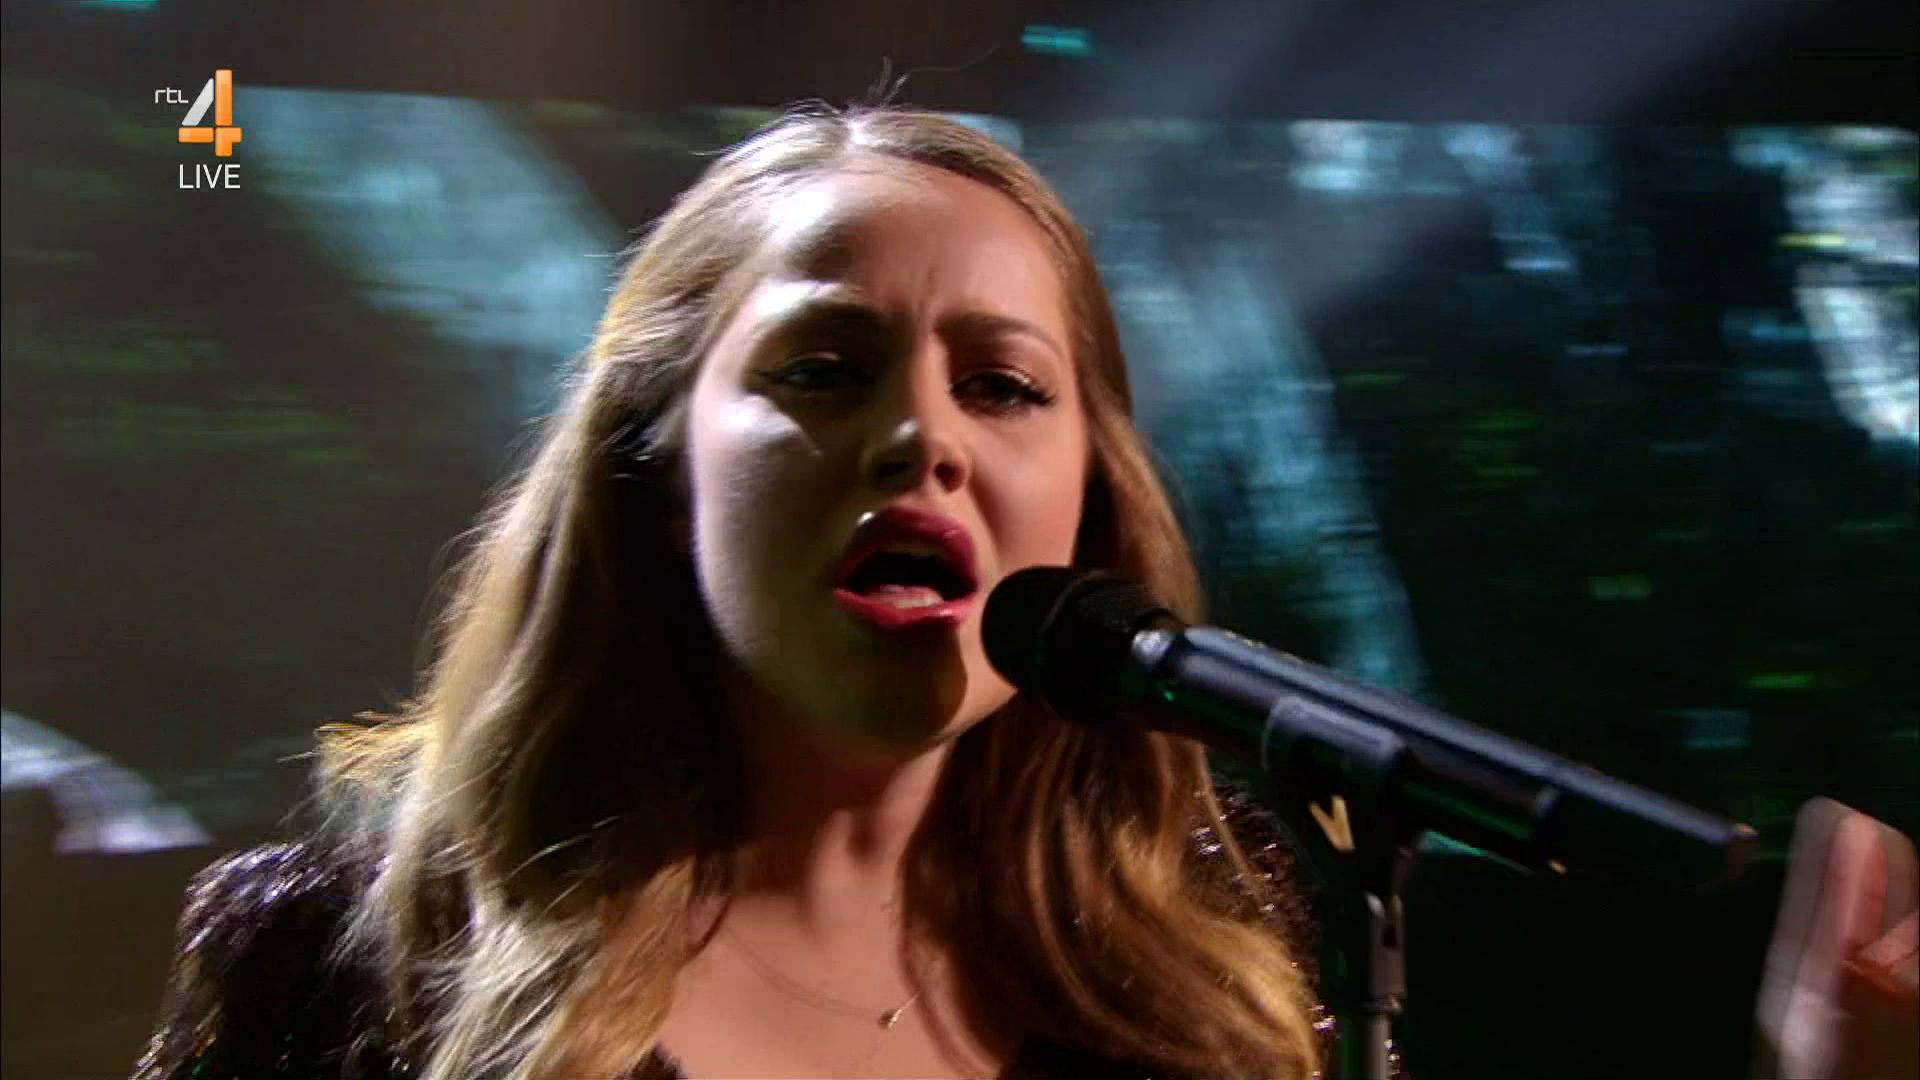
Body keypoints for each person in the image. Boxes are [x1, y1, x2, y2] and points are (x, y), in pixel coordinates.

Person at [131, 105, 1916, 1080]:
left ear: (1086, 505)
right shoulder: (348, 970)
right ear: (650, 469)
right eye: (825, 369)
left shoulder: (1190, 983)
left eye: (1001, 385)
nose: (923, 438)